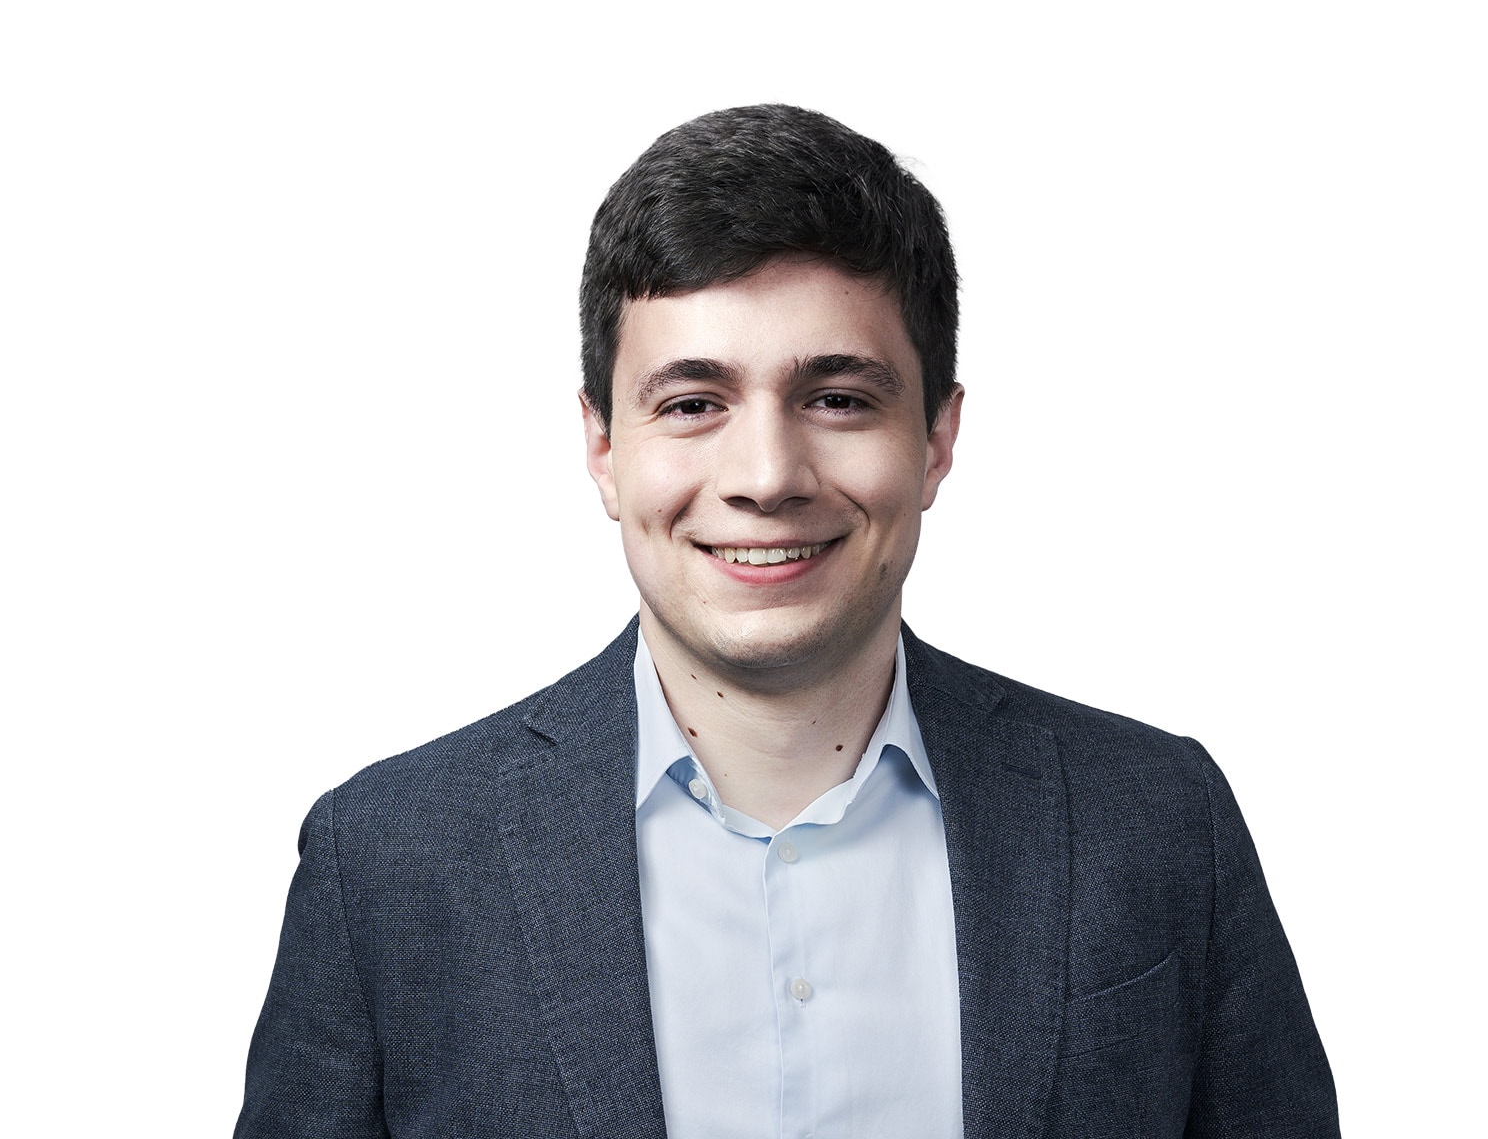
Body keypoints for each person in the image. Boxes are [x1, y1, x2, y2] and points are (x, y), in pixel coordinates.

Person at [236, 104, 1339, 1138]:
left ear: (937, 440)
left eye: (838, 399)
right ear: (603, 448)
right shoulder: (387, 862)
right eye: (692, 404)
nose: (766, 476)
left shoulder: (1158, 821)